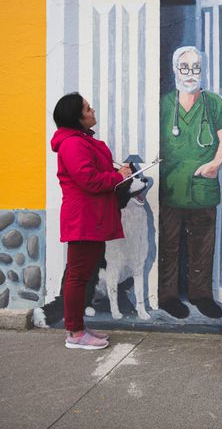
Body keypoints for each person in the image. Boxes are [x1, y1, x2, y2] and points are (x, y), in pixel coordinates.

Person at [51, 92, 132, 350]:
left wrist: (117, 173)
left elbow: (95, 173)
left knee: (83, 274)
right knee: (77, 276)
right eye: (87, 108)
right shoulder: (73, 144)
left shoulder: (81, 140)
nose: (92, 110)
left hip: (91, 217)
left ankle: (79, 327)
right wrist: (117, 177)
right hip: (83, 218)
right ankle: (74, 333)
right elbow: (89, 180)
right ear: (77, 117)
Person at [158, 46, 222, 319]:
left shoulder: (213, 103)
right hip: (170, 187)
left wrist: (215, 164)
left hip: (202, 187)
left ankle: (201, 295)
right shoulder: (164, 104)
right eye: (184, 67)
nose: (190, 73)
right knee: (168, 244)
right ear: (175, 69)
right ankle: (167, 296)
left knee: (202, 245)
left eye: (196, 67)